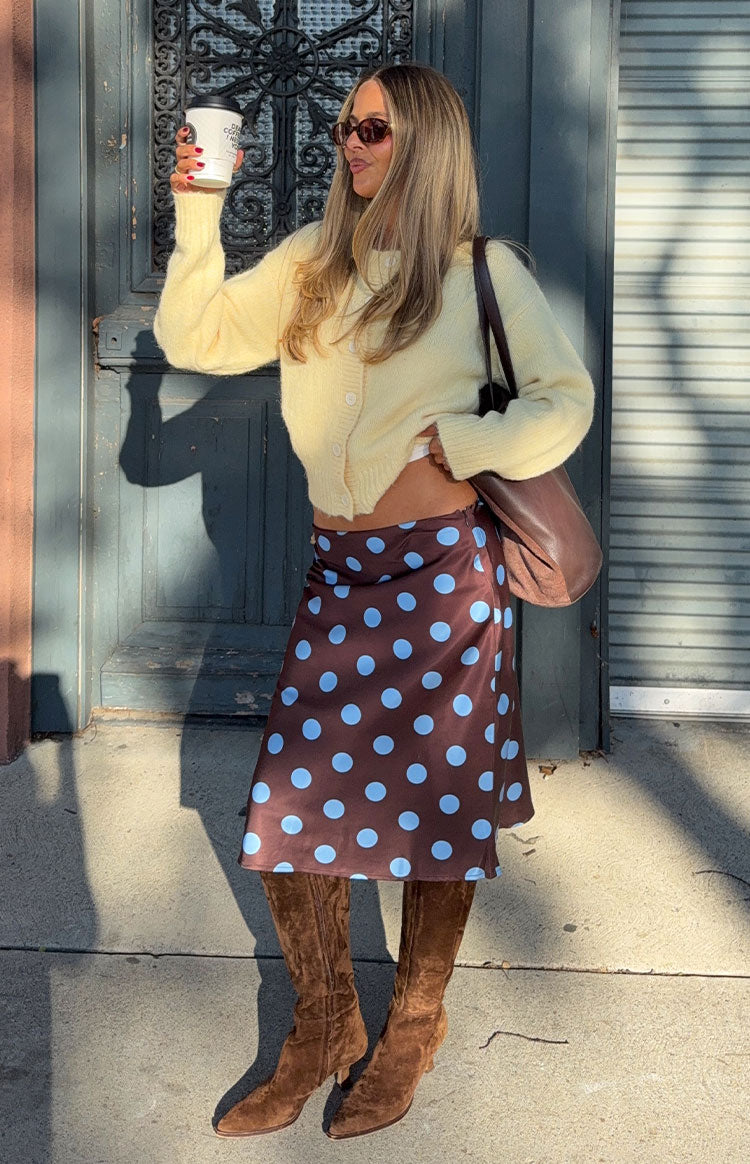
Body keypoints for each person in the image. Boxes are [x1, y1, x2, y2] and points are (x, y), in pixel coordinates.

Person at [153, 62, 594, 1139]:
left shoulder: (483, 273)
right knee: (290, 812)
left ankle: (415, 1024)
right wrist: (199, 209)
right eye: (348, 126)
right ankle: (324, 1026)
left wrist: (467, 441)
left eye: (375, 128)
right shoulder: (313, 260)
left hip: (444, 578)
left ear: (427, 143)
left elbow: (565, 400)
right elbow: (195, 338)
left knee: (437, 816)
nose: (353, 144)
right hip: (343, 577)